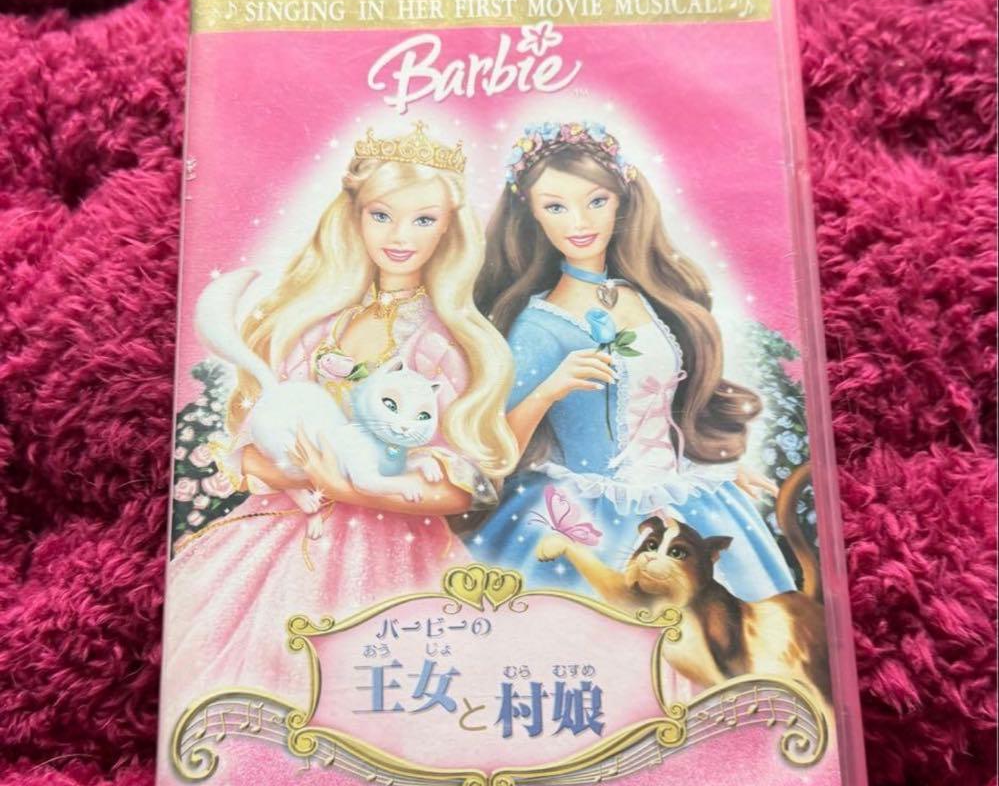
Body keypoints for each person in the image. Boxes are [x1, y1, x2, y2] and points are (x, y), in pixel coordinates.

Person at [163, 121, 518, 714]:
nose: (400, 236)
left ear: (448, 229)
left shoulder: (441, 344)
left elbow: (460, 490)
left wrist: (347, 486)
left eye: (423, 220)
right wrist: (273, 467)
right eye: (382, 215)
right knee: (246, 682)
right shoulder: (315, 323)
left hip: (390, 549)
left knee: (380, 692)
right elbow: (252, 444)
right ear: (354, 217)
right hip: (277, 536)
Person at [466, 120, 796, 603]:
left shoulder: (643, 294)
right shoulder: (538, 327)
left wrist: (712, 469)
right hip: (590, 513)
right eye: (556, 207)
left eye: (596, 201)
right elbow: (497, 454)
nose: (579, 222)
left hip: (687, 499)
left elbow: (665, 408)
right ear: (532, 216)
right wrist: (549, 390)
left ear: (622, 201)